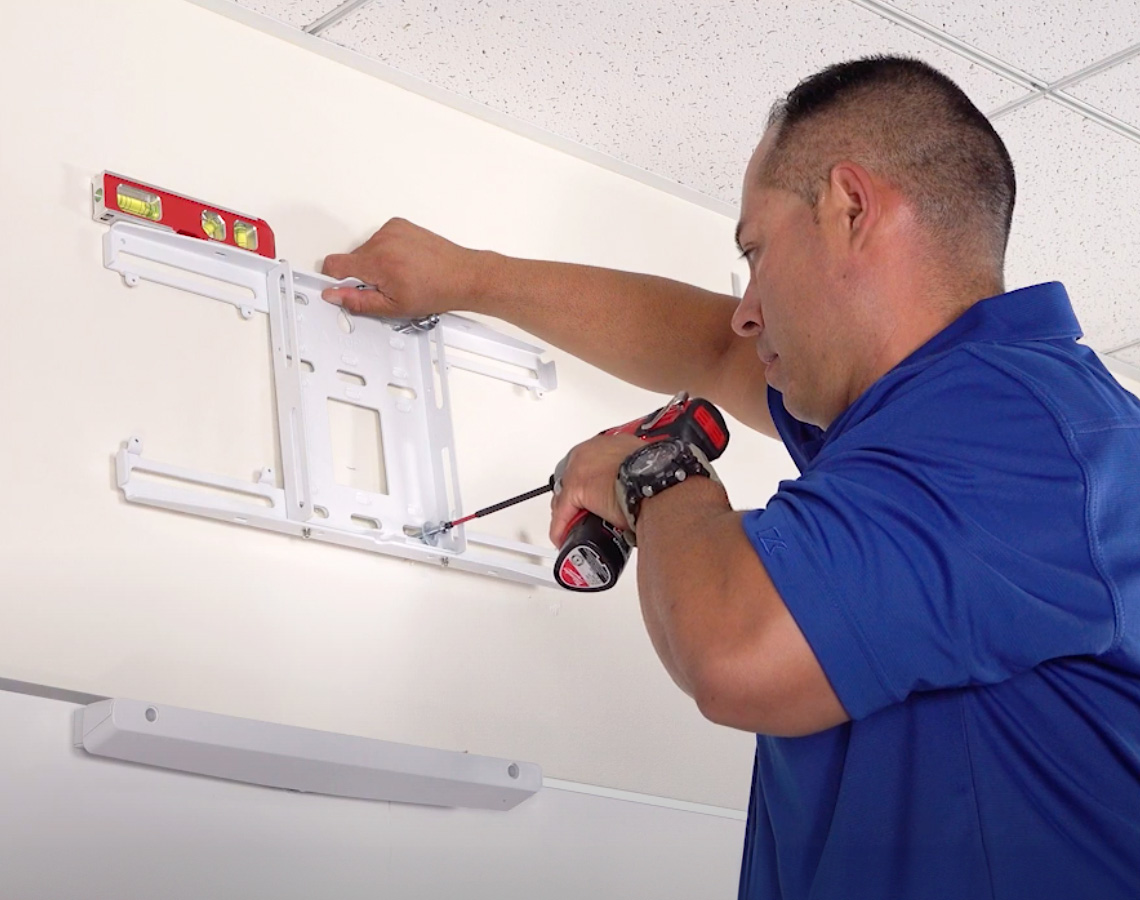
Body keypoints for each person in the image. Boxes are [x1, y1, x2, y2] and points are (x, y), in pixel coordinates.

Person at [321, 56, 1140, 899]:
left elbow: (733, 650)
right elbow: (716, 348)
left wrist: (656, 474)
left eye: (755, 250)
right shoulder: (927, 430)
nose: (748, 305)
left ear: (850, 207)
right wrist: (470, 278)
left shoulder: (1025, 430)